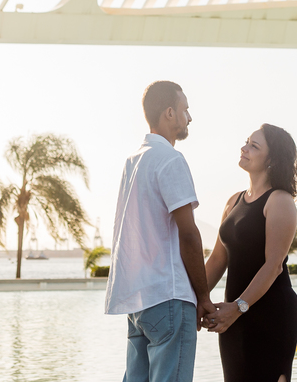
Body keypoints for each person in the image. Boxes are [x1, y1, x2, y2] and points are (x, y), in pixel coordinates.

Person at [105, 81, 215, 382]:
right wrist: (203, 297)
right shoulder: (170, 159)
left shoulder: (133, 161)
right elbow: (189, 234)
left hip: (138, 302)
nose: (189, 117)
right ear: (169, 113)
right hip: (168, 296)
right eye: (185, 110)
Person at [205, 124, 297, 382]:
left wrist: (237, 307)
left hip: (271, 317)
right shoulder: (233, 201)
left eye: (254, 146)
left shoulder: (280, 201)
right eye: (246, 142)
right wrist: (193, 299)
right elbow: (217, 260)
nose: (244, 148)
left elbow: (274, 265)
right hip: (234, 317)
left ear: (271, 159)